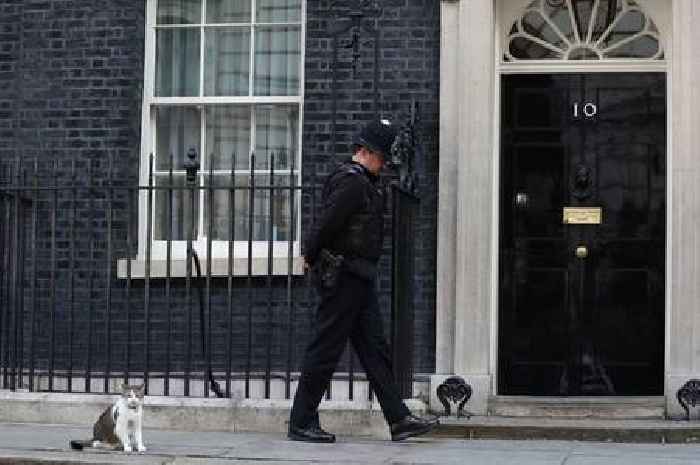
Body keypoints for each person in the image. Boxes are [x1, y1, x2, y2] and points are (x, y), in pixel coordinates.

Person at [288, 120, 438, 443]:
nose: (385, 164)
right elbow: (326, 223)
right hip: (344, 278)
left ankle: (398, 419)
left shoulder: (363, 182)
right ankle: (301, 420)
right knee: (325, 348)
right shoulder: (352, 183)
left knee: (374, 350)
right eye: (382, 157)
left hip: (359, 277)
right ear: (366, 152)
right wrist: (309, 254)